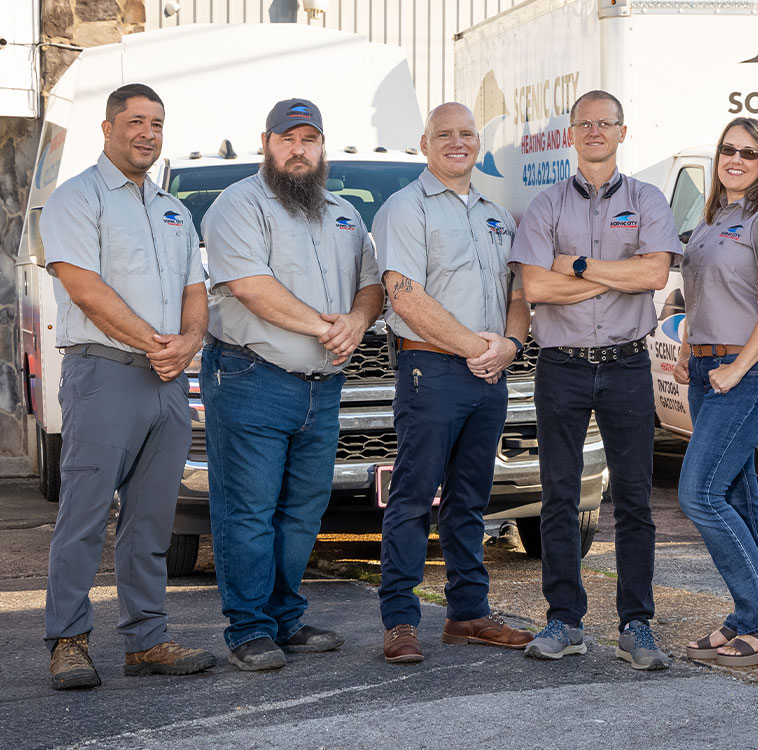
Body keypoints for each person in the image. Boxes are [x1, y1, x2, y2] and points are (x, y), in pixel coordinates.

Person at [40, 83, 216, 689]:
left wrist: (189, 341)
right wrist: (158, 344)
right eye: (136, 121)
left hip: (166, 380)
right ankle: (67, 640)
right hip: (105, 372)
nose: (148, 133)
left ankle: (146, 640)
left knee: (152, 521)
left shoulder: (174, 210)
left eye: (157, 123)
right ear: (108, 127)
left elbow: (195, 288)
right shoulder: (76, 198)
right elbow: (84, 288)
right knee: (85, 514)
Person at [200, 99, 383, 671]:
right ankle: (249, 627)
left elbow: (372, 284)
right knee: (249, 510)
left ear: (322, 146)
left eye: (309, 139)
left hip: (322, 388)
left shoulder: (344, 213)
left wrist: (357, 321)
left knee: (303, 511)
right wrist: (328, 327)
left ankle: (285, 617)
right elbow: (250, 286)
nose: (298, 149)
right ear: (266, 143)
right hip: (253, 377)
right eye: (288, 139)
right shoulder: (239, 205)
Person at [511, 90, 680, 670]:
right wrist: (618, 275)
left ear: (622, 132)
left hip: (627, 364)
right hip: (561, 365)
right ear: (571, 134)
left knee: (634, 499)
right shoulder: (546, 205)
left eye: (605, 123)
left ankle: (637, 624)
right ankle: (564, 620)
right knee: (559, 497)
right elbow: (536, 287)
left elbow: (654, 274)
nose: (594, 132)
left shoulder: (647, 199)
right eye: (584, 123)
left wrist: (577, 266)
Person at [374, 102, 533, 664]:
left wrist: (510, 345)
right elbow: (405, 296)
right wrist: (476, 348)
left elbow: (519, 293)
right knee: (414, 497)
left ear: (477, 145)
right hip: (433, 370)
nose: (457, 142)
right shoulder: (405, 208)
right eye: (444, 134)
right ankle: (400, 620)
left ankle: (467, 614)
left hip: (489, 372)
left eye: (467, 133)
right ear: (425, 144)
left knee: (470, 500)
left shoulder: (498, 215)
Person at [673, 118, 758, 666]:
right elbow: (700, 291)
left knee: (699, 495)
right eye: (728, 149)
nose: (736, 159)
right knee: (739, 497)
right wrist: (688, 348)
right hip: (707, 369)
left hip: (749, 372)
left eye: (749, 153)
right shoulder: (710, 220)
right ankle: (752, 614)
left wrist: (737, 365)